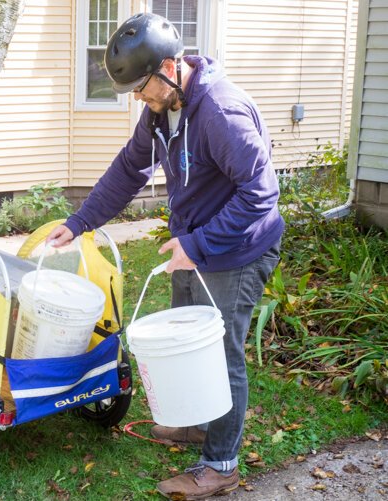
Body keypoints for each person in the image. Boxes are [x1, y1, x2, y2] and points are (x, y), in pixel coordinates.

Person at [47, 12, 284, 500]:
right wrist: (79, 222)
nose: (139, 98)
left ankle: (220, 465)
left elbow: (261, 193)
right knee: (187, 334)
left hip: (239, 248)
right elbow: (130, 168)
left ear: (171, 67)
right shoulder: (161, 109)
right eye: (135, 90)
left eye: (143, 87)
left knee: (220, 352)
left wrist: (197, 245)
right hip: (196, 244)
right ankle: (200, 424)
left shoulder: (220, 111)